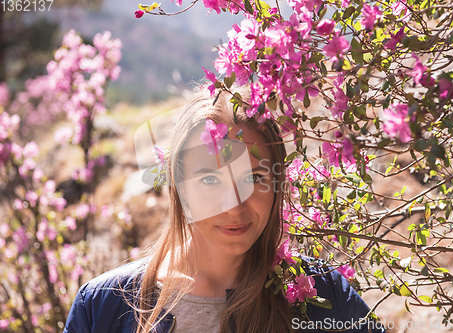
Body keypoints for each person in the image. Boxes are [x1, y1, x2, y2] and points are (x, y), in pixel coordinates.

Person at [64, 87, 385, 333]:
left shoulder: (323, 296)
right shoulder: (102, 305)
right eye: (210, 180)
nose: (234, 204)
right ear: (180, 187)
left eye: (254, 178)